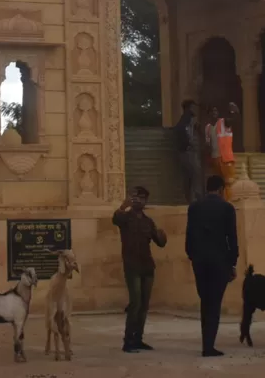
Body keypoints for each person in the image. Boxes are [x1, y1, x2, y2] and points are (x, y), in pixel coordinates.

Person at [186, 174, 238, 357]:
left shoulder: (194, 207)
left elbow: (189, 237)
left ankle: (206, 343)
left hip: (200, 261)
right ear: (222, 189)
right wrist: (233, 263)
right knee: (214, 304)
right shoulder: (226, 208)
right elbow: (232, 238)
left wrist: (193, 257)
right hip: (219, 261)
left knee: (205, 301)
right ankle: (209, 346)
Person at [112, 186, 167, 353]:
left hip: (147, 266)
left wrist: (161, 234)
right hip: (132, 266)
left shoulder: (148, 222)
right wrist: (123, 206)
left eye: (142, 198)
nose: (139, 201)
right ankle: (128, 340)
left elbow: (161, 243)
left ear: (146, 201)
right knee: (135, 303)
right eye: (136, 197)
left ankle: (138, 339)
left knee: (144, 305)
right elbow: (115, 219)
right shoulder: (125, 218)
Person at [174, 100, 203, 202]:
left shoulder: (185, 120)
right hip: (187, 152)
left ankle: (189, 198)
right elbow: (184, 132)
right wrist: (189, 144)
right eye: (194, 107)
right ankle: (196, 198)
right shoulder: (187, 119)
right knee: (195, 174)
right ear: (190, 108)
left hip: (184, 152)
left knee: (189, 177)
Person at [212, 103, 238, 196]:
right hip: (225, 157)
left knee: (221, 183)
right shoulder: (223, 122)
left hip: (217, 157)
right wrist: (234, 112)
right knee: (229, 182)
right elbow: (231, 121)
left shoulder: (215, 125)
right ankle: (228, 203)